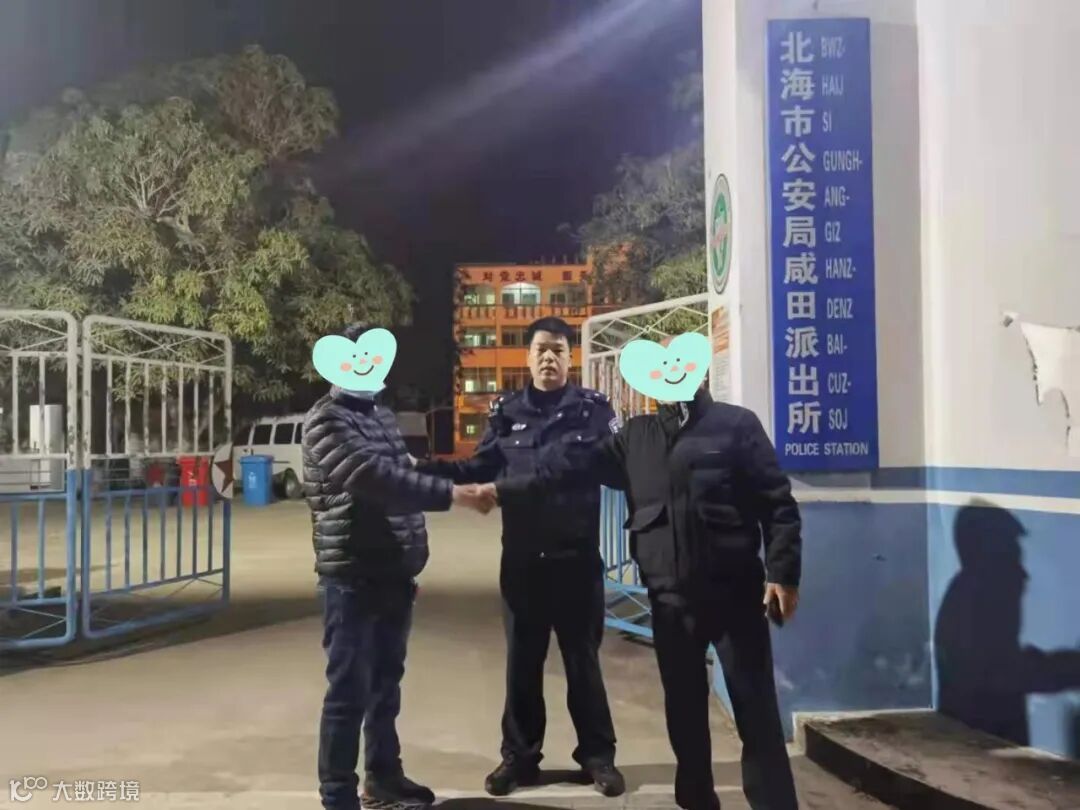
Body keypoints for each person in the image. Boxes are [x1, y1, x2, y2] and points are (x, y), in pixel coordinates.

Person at [483, 374, 803, 810]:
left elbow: (778, 503)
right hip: (669, 601)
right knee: (685, 713)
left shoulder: (736, 425)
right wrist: (524, 441)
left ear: (701, 374)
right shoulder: (635, 437)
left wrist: (783, 573)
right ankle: (696, 801)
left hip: (735, 597)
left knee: (756, 709)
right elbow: (573, 461)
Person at [415, 317, 625, 797]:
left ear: (570, 358)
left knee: (583, 664)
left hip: (576, 561)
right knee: (522, 666)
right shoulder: (507, 412)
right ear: (527, 358)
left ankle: (598, 758)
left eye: (558, 350)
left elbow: (589, 467)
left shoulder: (592, 412)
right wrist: (422, 469)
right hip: (524, 562)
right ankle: (520, 759)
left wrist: (499, 491)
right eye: (540, 350)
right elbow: (479, 464)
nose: (549, 357)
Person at [303, 323, 492, 810]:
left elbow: (406, 469)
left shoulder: (381, 416)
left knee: (385, 686)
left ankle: (384, 778)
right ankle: (337, 796)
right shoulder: (325, 422)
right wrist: (453, 495)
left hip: (393, 572)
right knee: (349, 691)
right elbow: (375, 478)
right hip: (352, 574)